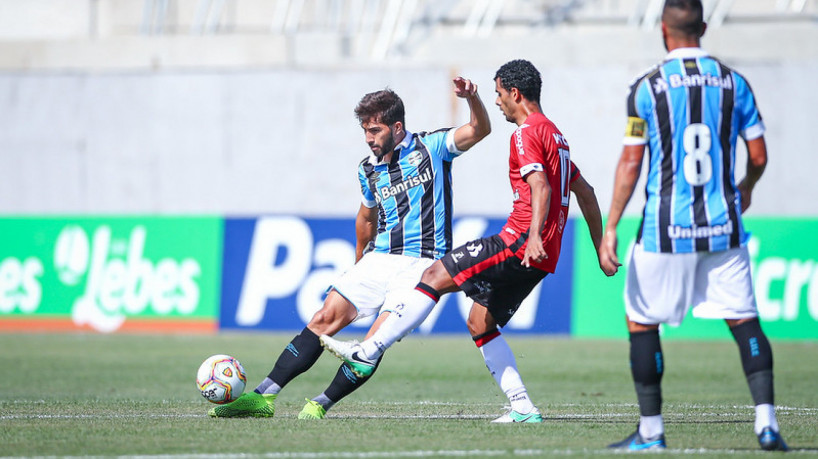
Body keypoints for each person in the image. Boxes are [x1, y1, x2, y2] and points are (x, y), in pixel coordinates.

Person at [321, 59, 616, 423]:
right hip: (542, 257)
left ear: (515, 93)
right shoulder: (557, 135)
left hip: (520, 241)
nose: (497, 101)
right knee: (480, 322)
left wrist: (535, 234)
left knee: (433, 276)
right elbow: (585, 193)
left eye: (498, 94)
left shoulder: (525, 133)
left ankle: (368, 351)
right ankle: (522, 407)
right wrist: (601, 245)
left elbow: (539, 185)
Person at [207, 79, 491, 419]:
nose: (369, 138)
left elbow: (480, 129)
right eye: (365, 131)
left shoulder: (433, 147)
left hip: (422, 266)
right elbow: (366, 217)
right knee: (322, 318)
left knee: (374, 341)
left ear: (397, 127)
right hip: (380, 259)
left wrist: (472, 97)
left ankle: (320, 403)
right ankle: (262, 397)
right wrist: (359, 263)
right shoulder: (367, 169)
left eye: (375, 130)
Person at [600, 0, 787, 451]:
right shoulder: (734, 82)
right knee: (745, 322)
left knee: (642, 322)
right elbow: (759, 156)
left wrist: (611, 227)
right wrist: (747, 186)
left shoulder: (647, 88)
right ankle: (767, 424)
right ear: (702, 27)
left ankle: (651, 432)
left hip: (664, 227)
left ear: (663, 29)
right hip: (723, 225)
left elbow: (631, 162)